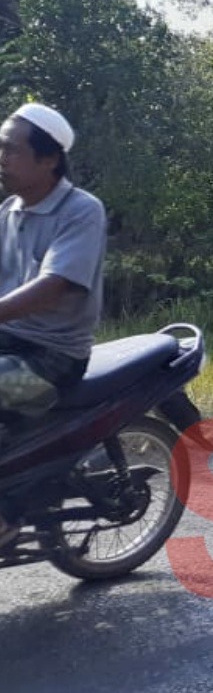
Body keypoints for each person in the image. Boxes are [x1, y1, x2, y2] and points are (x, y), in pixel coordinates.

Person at [0, 103, 106, 545]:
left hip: (54, 356)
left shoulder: (82, 210)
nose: (1, 159)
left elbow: (54, 285)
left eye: (10, 150)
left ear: (49, 159)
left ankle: (6, 517)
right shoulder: (9, 209)